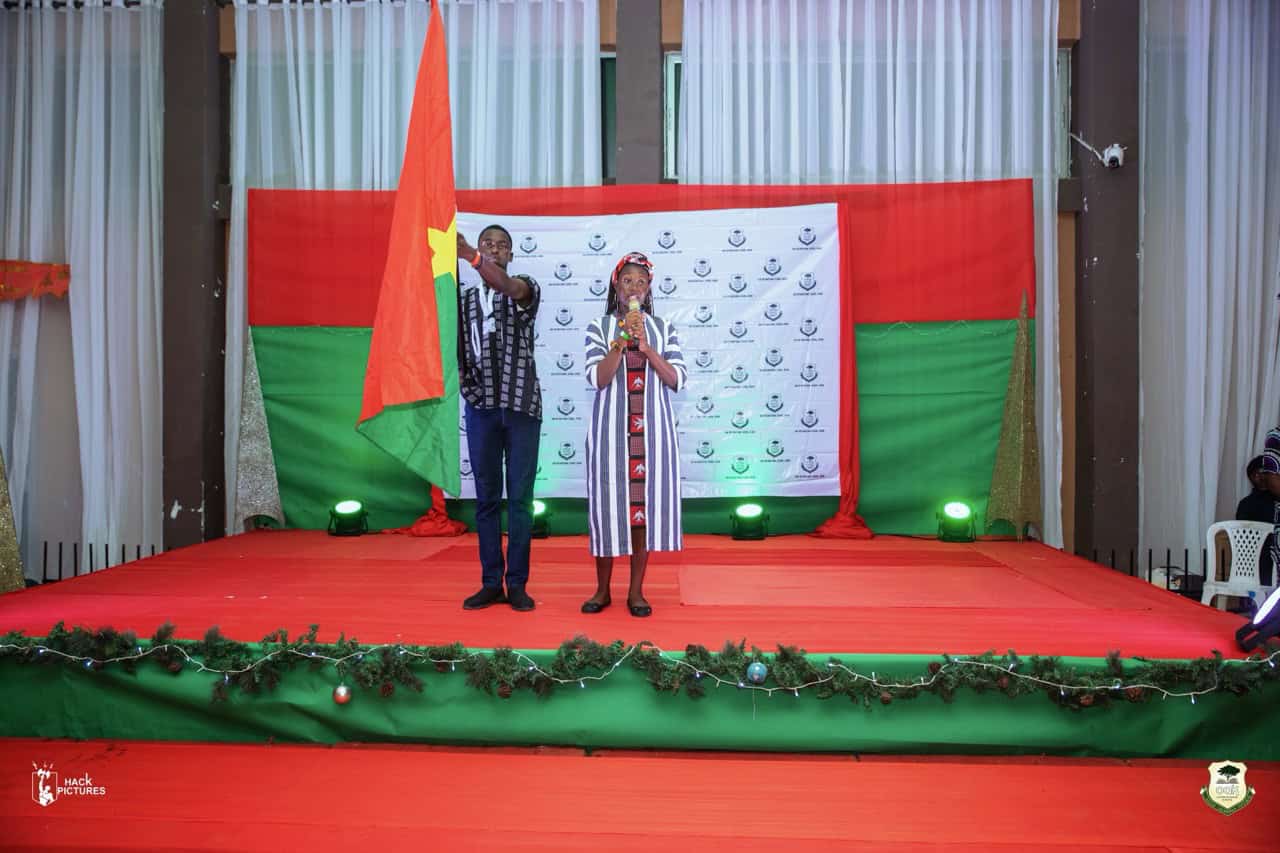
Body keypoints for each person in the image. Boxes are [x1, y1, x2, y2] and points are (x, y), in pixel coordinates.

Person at [581, 252, 687, 617]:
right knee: (608, 511)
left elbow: (677, 379)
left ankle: (636, 592)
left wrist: (646, 349)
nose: (634, 287)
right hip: (610, 436)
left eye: (641, 281)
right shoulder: (599, 327)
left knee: (642, 513)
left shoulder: (664, 328)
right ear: (616, 285)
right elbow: (597, 378)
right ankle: (602, 590)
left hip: (652, 437)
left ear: (649, 288)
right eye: (627, 280)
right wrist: (622, 338)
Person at [455, 225, 541, 612]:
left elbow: (507, 286)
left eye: (501, 245)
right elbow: (455, 341)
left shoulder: (525, 287)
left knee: (520, 501)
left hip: (521, 407)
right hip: (482, 406)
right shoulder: (464, 298)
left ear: (511, 255)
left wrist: (472, 257)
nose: (494, 249)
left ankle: (517, 583)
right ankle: (491, 582)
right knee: (487, 500)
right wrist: (462, 377)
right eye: (487, 244)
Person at [1235, 455, 1278, 586]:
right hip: (1264, 566)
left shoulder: (1245, 503)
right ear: (1256, 477)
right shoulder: (1249, 504)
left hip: (1249, 570)